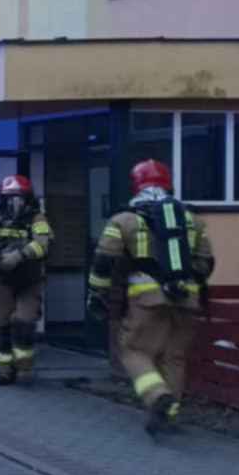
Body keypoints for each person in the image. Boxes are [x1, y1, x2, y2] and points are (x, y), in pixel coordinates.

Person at [88, 160, 215, 437]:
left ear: (135, 185)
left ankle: (157, 396)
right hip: (186, 299)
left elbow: (103, 262)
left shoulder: (123, 220)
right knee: (173, 357)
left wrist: (97, 293)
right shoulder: (192, 220)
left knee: (134, 351)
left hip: (147, 300)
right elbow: (206, 263)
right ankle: (169, 416)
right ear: (168, 184)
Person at [0, 175, 54, 385]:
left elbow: (42, 245)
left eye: (19, 198)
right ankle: (5, 371)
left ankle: (23, 366)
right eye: (10, 198)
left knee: (25, 321)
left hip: (29, 279)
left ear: (28, 199)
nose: (15, 203)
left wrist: (18, 256)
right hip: (2, 279)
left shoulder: (37, 219)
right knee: (1, 323)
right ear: (2, 199)